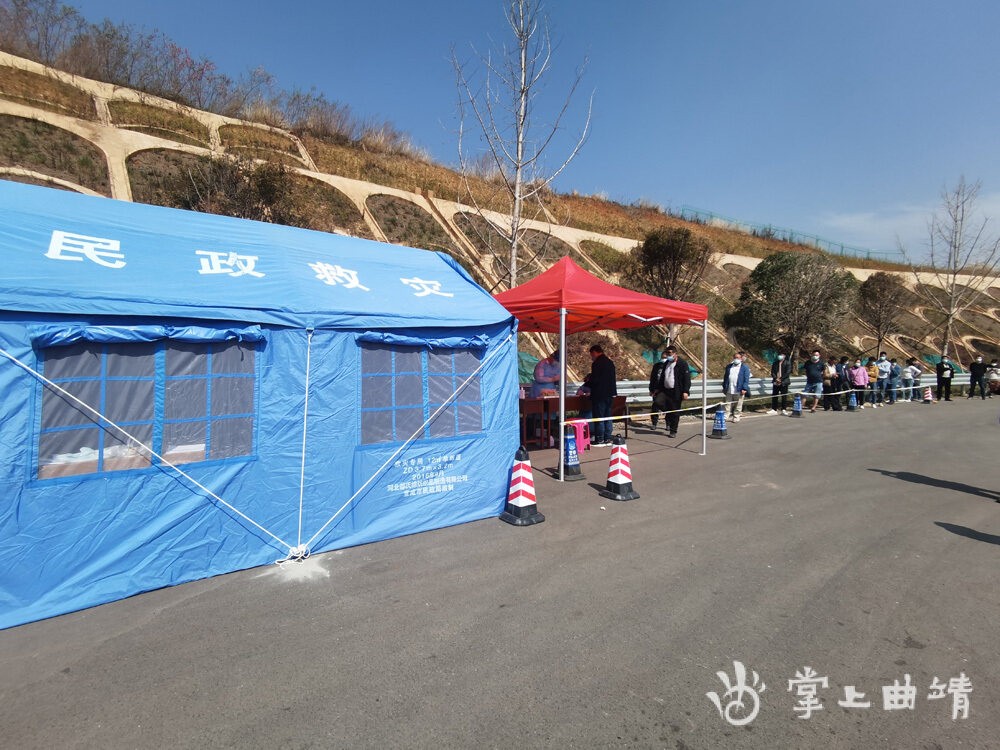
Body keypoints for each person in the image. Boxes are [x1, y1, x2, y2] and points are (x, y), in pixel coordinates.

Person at [650, 345, 690, 438]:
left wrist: (686, 391)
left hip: (676, 391)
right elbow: (662, 377)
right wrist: (657, 389)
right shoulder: (666, 363)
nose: (668, 355)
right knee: (657, 402)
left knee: (675, 412)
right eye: (667, 353)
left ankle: (673, 430)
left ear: (675, 354)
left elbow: (687, 379)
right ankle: (668, 412)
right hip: (665, 390)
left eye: (670, 353)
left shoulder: (682, 364)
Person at [587, 344, 617, 446]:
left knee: (599, 417)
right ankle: (607, 438)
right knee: (607, 416)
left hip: (599, 394)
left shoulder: (597, 363)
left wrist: (588, 382)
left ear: (595, 352)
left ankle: (599, 439)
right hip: (610, 393)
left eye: (592, 355)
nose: (592, 357)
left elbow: (595, 380)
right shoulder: (610, 362)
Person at [722, 351, 751, 422]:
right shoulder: (729, 366)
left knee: (738, 404)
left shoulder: (745, 367)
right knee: (727, 403)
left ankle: (736, 416)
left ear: (741, 359)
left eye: (737, 358)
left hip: (739, 389)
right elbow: (725, 377)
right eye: (735, 357)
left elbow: (746, 379)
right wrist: (724, 387)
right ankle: (726, 416)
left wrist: (744, 388)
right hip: (729, 388)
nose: (736, 359)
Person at [648, 351, 669, 429]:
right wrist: (651, 389)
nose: (663, 359)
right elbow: (652, 378)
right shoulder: (656, 366)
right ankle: (654, 423)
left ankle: (668, 424)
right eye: (662, 357)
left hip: (666, 390)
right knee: (655, 406)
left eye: (665, 357)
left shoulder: (670, 366)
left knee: (667, 407)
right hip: (656, 390)